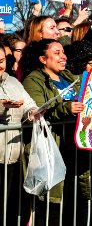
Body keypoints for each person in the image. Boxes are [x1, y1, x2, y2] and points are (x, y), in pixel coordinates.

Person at [21, 39, 87, 224]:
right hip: (52, 150)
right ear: (43, 59)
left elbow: (88, 95)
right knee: (51, 207)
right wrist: (66, 108)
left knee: (73, 204)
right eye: (57, 52)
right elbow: (37, 111)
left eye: (63, 52)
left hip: (75, 148)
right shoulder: (33, 79)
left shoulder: (68, 76)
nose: (63, 56)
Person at [0, 43, 38, 225]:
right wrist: (2, 106)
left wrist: (34, 112)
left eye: (1, 61)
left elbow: (28, 103)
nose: (0, 66)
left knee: (12, 208)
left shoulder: (12, 81)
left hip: (14, 156)